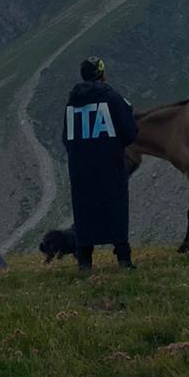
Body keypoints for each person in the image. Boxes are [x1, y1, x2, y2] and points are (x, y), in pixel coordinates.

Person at [61, 56, 139, 272]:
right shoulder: (112, 98)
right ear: (101, 74)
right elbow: (130, 132)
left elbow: (66, 137)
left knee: (84, 209)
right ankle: (123, 258)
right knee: (116, 206)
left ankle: (85, 260)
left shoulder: (72, 102)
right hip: (109, 165)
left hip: (80, 168)